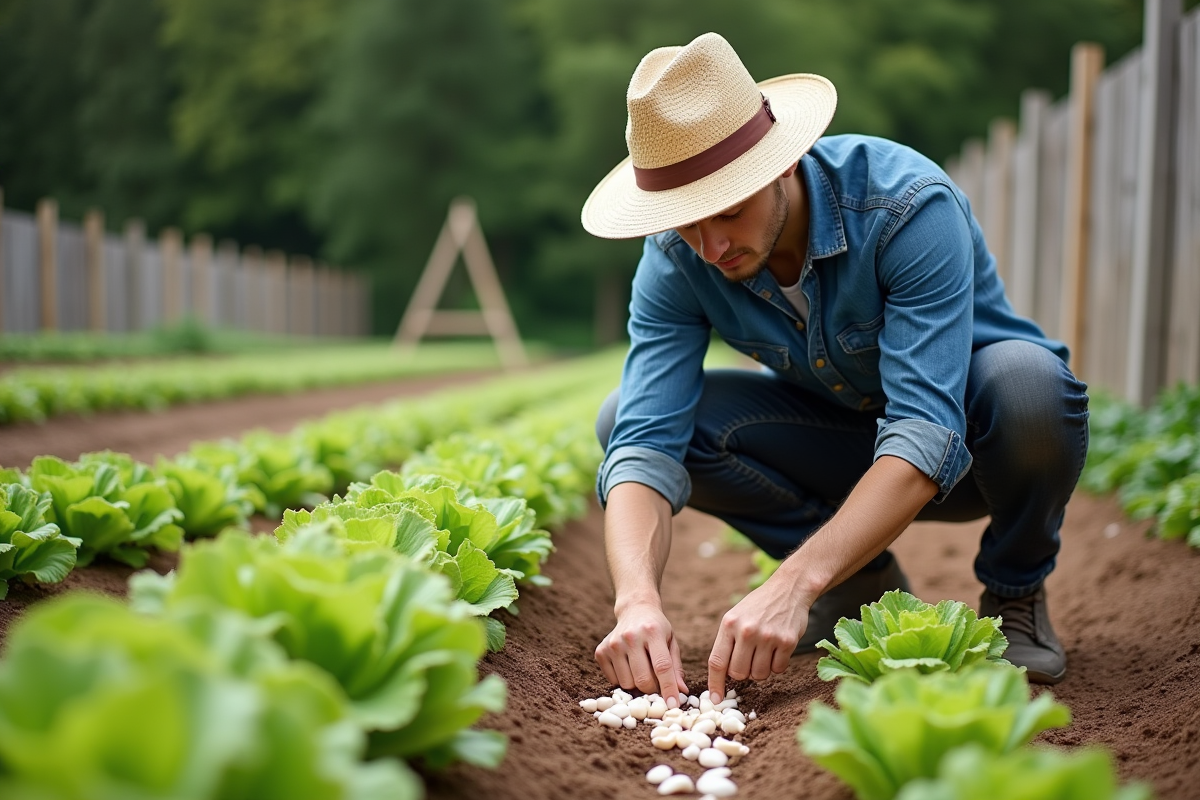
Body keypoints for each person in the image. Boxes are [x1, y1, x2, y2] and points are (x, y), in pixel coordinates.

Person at [581, 32, 1089, 707]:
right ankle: (862, 585)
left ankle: (1017, 590)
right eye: (687, 224)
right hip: (842, 446)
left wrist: (791, 584)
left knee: (1031, 387)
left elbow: (924, 430)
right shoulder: (677, 259)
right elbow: (645, 440)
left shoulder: (905, 205)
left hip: (971, 447)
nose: (712, 247)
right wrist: (635, 602)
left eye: (730, 210)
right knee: (619, 418)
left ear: (782, 164)